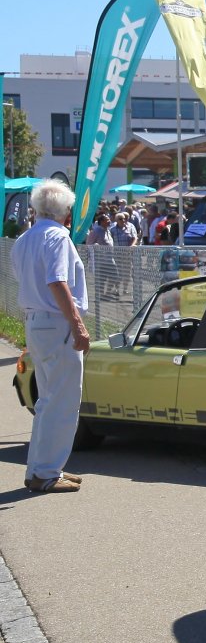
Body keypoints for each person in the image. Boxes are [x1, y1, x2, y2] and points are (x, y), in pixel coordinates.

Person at [11, 181, 90, 494]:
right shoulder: (58, 236)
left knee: (47, 400)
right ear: (65, 211)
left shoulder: (25, 239)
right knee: (63, 402)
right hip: (57, 323)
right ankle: (46, 472)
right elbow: (57, 281)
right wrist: (78, 324)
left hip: (35, 321)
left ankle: (40, 468)